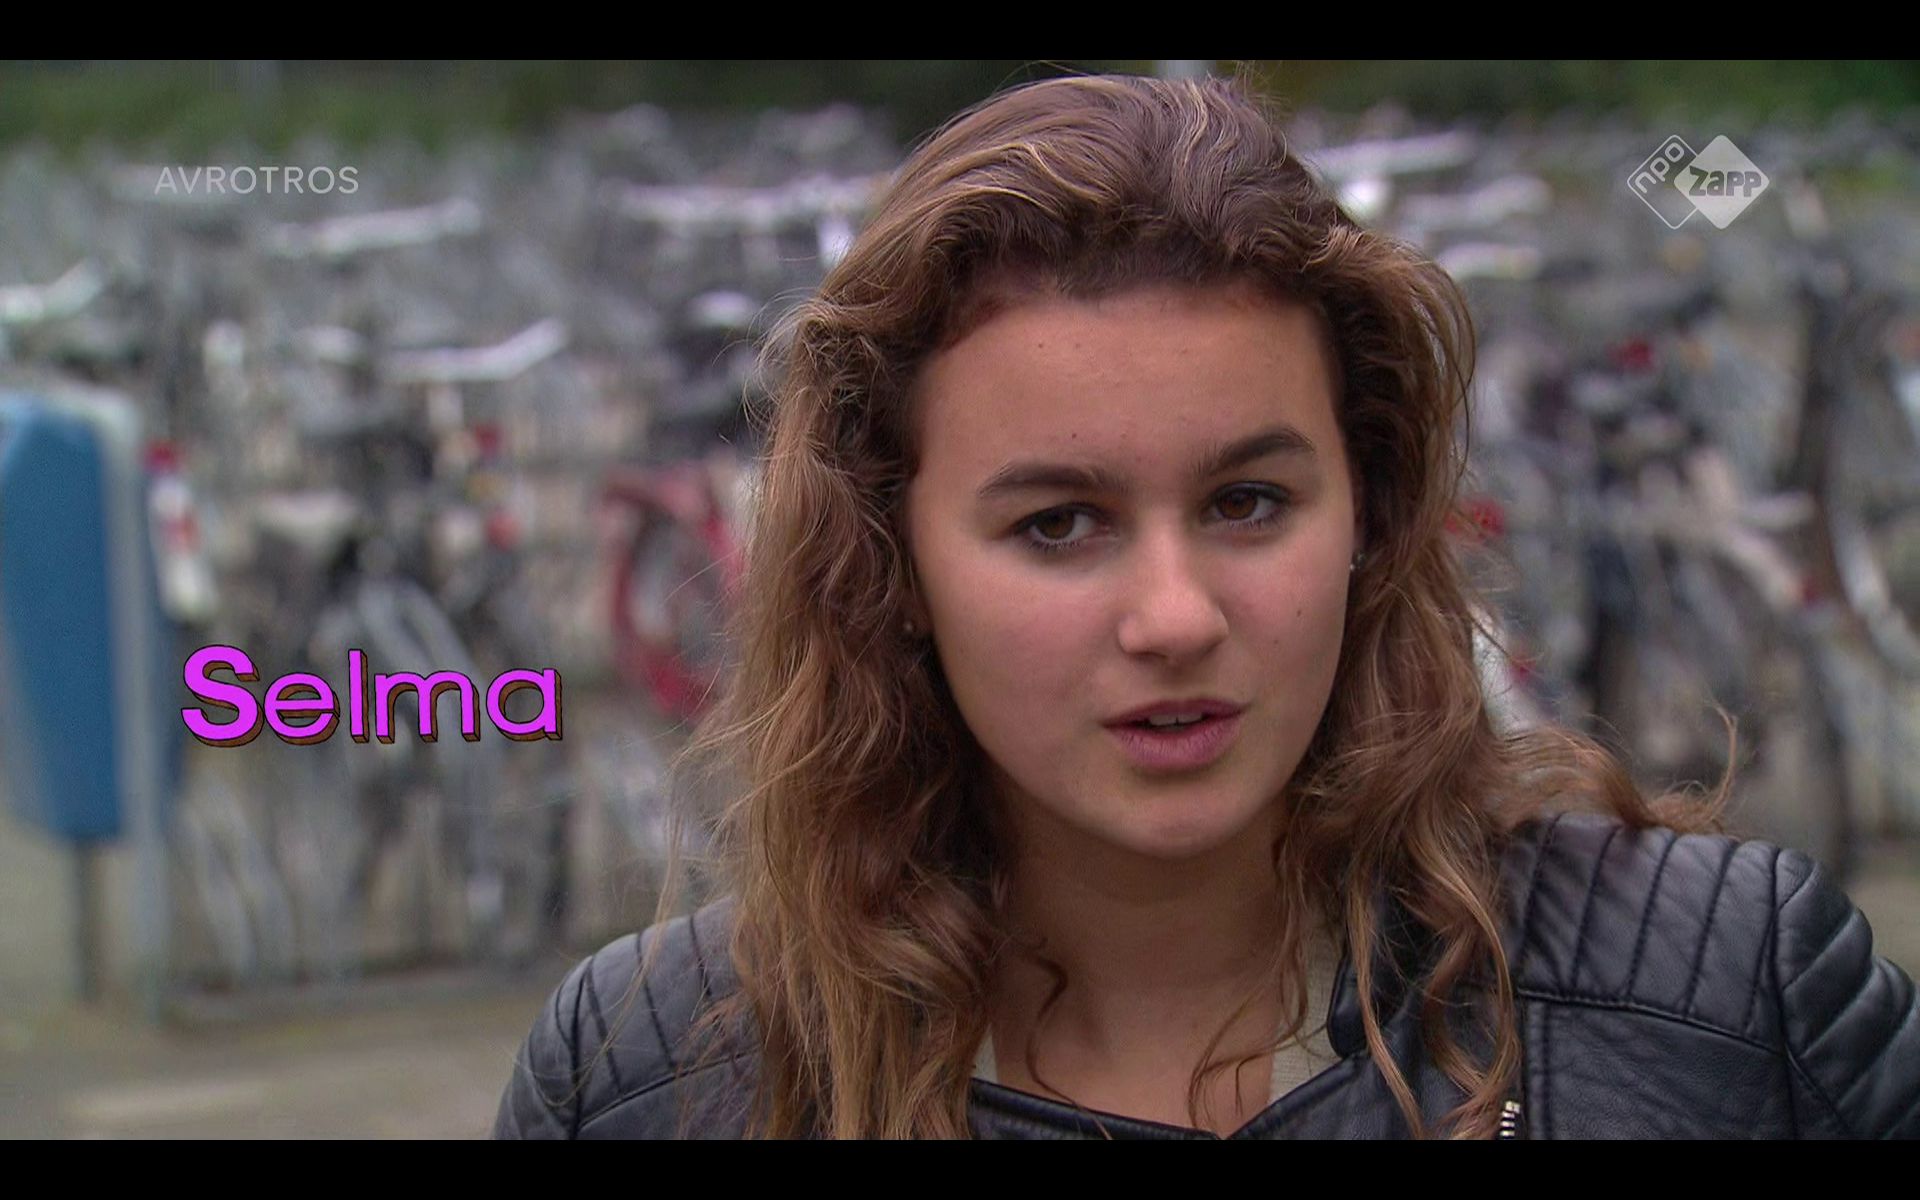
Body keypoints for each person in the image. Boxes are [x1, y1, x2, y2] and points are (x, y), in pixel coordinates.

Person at [493, 72, 1920, 1139]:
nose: (1174, 617)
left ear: (1369, 512)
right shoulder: (648, 1079)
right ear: (893, 564)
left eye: (1247, 502)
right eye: (1058, 524)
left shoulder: (1730, 999)